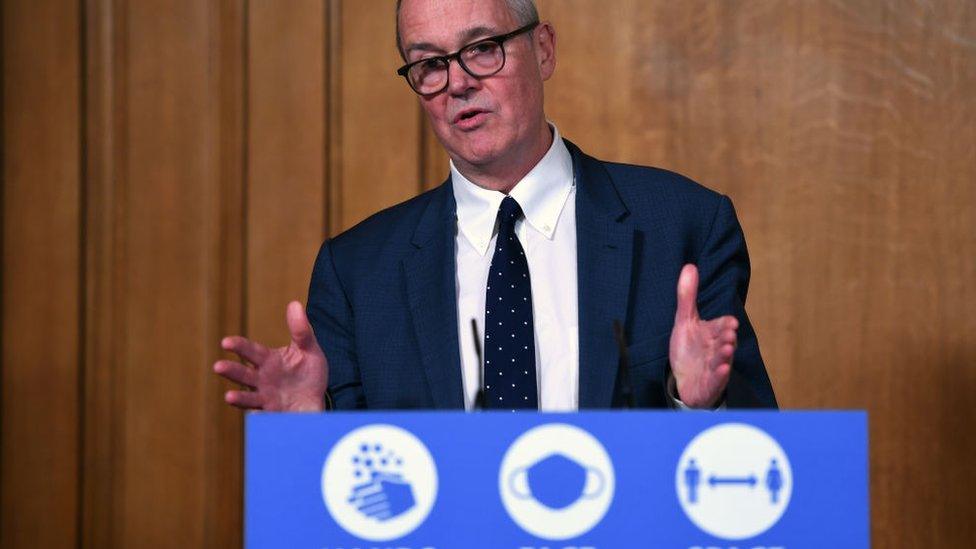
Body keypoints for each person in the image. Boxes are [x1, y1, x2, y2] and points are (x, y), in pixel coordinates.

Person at [213, 0, 777, 412]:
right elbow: (351, 492)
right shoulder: (357, 272)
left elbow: (760, 466)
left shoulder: (683, 226)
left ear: (544, 49)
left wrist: (702, 404)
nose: (457, 83)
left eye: (481, 48)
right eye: (430, 64)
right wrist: (309, 433)